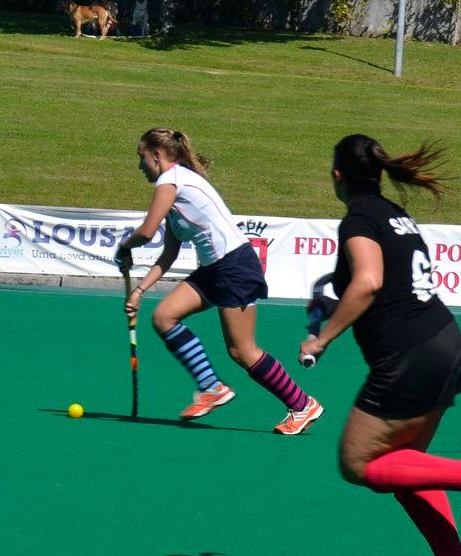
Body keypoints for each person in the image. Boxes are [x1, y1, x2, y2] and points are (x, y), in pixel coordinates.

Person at [298, 134, 461, 556]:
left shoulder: (357, 220)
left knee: (358, 465)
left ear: (337, 176)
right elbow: (378, 281)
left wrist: (323, 339)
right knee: (405, 465)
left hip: (408, 355)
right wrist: (331, 296)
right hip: (442, 342)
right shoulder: (395, 215)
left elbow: (369, 282)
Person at [114, 128, 321, 433]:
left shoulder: (170, 180)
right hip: (214, 270)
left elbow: (145, 231)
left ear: (156, 156)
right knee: (164, 317)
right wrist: (139, 292)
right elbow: (168, 255)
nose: (139, 166)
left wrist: (124, 247)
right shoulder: (176, 190)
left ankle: (302, 405)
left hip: (235, 267)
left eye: (141, 158)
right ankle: (211, 387)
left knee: (242, 351)